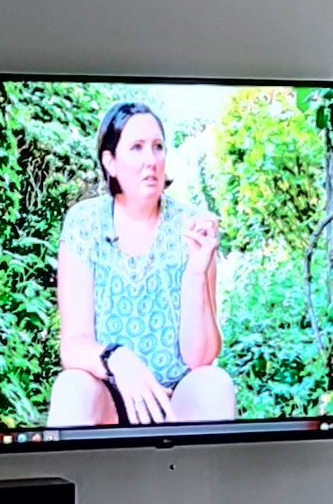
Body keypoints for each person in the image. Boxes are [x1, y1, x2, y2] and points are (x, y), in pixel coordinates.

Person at [46, 101, 235, 427]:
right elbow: (74, 346)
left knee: (215, 384)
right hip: (106, 393)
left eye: (158, 147)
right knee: (71, 388)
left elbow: (200, 357)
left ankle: (209, 477)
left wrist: (197, 270)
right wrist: (117, 359)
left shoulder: (192, 226)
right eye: (136, 147)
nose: (151, 160)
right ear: (111, 162)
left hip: (176, 398)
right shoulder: (84, 223)